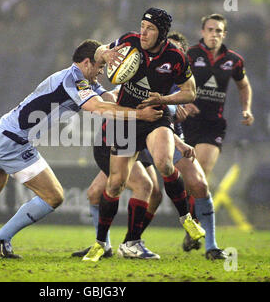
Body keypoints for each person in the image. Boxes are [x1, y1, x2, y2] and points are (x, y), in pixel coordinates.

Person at [0, 39, 162, 259]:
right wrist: (141, 116)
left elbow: (108, 99)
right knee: (54, 196)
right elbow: (99, 109)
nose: (102, 72)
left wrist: (147, 95)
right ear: (87, 63)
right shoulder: (74, 79)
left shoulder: (83, 81)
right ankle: (0, 238)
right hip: (13, 142)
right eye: (100, 66)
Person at [73, 32, 226, 260]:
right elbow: (116, 96)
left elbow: (173, 108)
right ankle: (107, 243)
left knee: (191, 183)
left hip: (158, 133)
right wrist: (105, 58)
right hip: (126, 131)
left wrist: (177, 133)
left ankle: (202, 242)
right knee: (110, 190)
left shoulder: (177, 86)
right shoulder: (139, 63)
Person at [181, 14, 254, 253]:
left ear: (225, 34)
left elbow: (243, 85)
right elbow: (172, 81)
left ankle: (196, 227)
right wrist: (182, 103)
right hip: (187, 123)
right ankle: (192, 224)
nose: (214, 34)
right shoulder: (190, 55)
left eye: (219, 30)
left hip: (213, 125)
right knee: (190, 180)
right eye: (210, 29)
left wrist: (246, 109)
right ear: (202, 31)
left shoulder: (233, 60)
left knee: (201, 171)